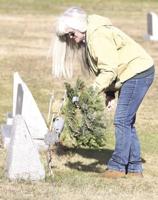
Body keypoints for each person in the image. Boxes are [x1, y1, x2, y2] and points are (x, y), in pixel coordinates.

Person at [51, 7, 155, 178]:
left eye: (71, 34)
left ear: (78, 26)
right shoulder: (91, 36)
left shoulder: (97, 36)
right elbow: (106, 68)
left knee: (122, 120)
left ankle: (118, 167)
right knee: (127, 122)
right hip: (133, 73)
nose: (72, 39)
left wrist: (91, 92)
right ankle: (135, 168)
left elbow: (109, 70)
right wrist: (109, 94)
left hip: (137, 73)